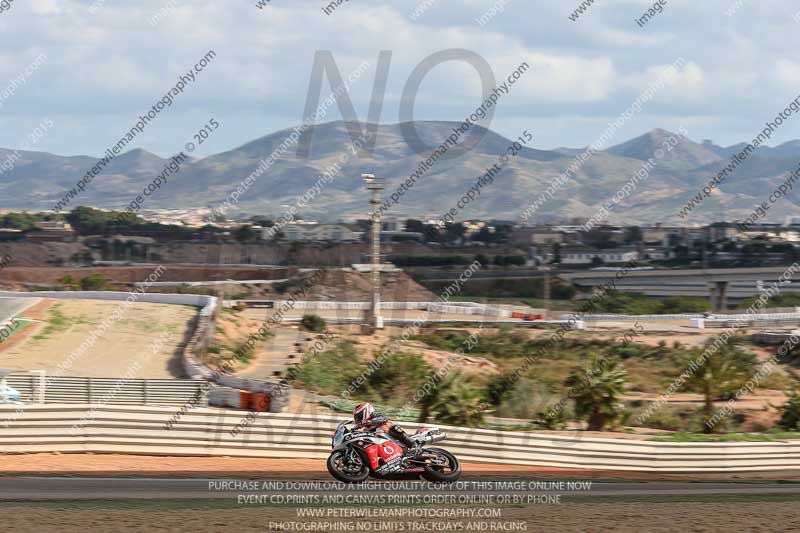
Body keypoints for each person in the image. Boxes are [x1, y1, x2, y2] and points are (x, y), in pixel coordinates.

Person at [353, 402, 418, 452]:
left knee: (390, 427)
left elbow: (383, 419)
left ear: (367, 411)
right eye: (357, 418)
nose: (358, 420)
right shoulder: (366, 429)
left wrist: (370, 421)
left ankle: (413, 445)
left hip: (394, 437)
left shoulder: (377, 415)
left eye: (359, 417)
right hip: (388, 449)